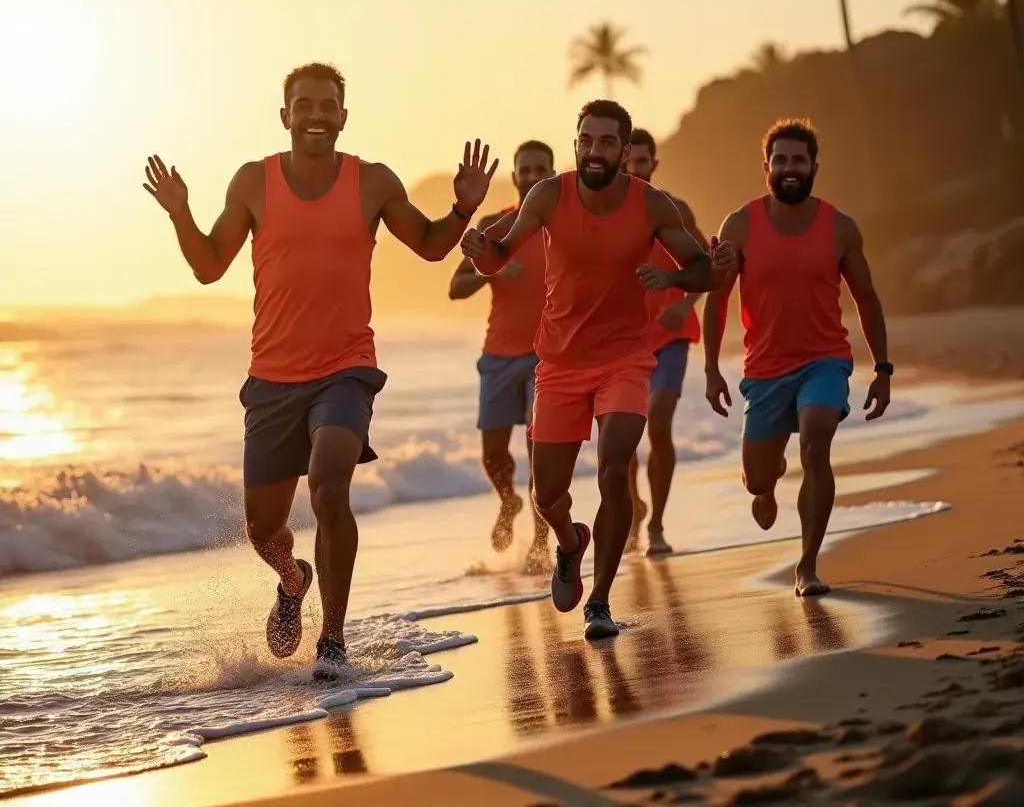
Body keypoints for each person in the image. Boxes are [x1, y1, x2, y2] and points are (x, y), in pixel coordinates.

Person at [143, 62, 497, 680]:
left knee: (330, 486)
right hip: (272, 377)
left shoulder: (373, 181)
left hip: (346, 368)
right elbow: (208, 267)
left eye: (327, 105)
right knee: (263, 529)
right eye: (303, 105)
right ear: (285, 116)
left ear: (343, 116)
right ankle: (292, 579)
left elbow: (431, 244)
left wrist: (462, 209)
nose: (315, 115)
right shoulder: (253, 182)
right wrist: (180, 213)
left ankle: (332, 640)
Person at [461, 100, 735, 640]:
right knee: (546, 495)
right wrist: (476, 247)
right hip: (559, 363)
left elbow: (702, 271)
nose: (594, 150)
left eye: (606, 142)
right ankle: (570, 542)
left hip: (625, 359)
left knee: (614, 467)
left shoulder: (650, 204)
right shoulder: (549, 195)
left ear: (624, 151)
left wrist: (694, 274)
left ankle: (601, 601)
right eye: (586, 140)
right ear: (576, 144)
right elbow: (497, 254)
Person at [701, 118, 892, 598]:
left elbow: (867, 299)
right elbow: (717, 300)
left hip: (825, 359)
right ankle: (767, 485)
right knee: (756, 478)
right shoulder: (739, 225)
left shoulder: (840, 228)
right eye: (780, 160)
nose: (790, 168)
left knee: (815, 440)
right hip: (764, 368)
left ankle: (807, 565)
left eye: (798, 161)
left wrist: (883, 369)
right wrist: (710, 369)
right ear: (766, 167)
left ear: (814, 168)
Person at [448, 140, 556, 572]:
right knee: (493, 454)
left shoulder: (563, 227)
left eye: (540, 170)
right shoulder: (494, 226)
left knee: (538, 452)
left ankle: (541, 543)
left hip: (546, 356)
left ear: (551, 175)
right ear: (514, 177)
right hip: (497, 354)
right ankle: (509, 501)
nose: (532, 177)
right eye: (524, 170)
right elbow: (455, 288)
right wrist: (490, 269)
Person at [622, 128, 708, 556]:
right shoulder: (607, 214)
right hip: (624, 340)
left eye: (643, 162)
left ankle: (656, 523)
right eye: (630, 162)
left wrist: (686, 303)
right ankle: (633, 507)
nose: (636, 169)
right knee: (621, 436)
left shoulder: (675, 210)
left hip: (672, 334)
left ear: (654, 164)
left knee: (658, 421)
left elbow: (705, 267)